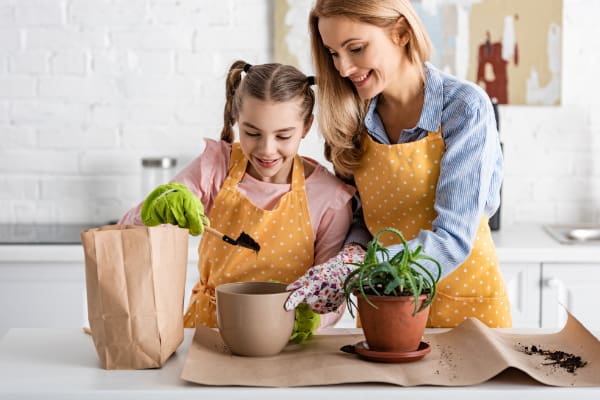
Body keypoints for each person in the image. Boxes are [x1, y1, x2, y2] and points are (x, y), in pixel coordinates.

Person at [285, 0, 512, 328]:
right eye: (333, 53)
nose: (344, 68)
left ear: (402, 33)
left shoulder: (464, 109)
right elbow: (364, 219)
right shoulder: (353, 119)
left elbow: (454, 238)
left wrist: (359, 270)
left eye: (356, 48)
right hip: (386, 309)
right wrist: (350, 255)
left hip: (468, 310)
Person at [119, 60, 355, 328]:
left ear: (307, 127)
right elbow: (125, 231)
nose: (267, 150)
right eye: (252, 133)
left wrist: (311, 319)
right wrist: (155, 210)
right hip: (209, 331)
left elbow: (333, 293)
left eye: (283, 136)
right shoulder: (215, 167)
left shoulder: (329, 198)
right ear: (236, 118)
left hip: (283, 339)